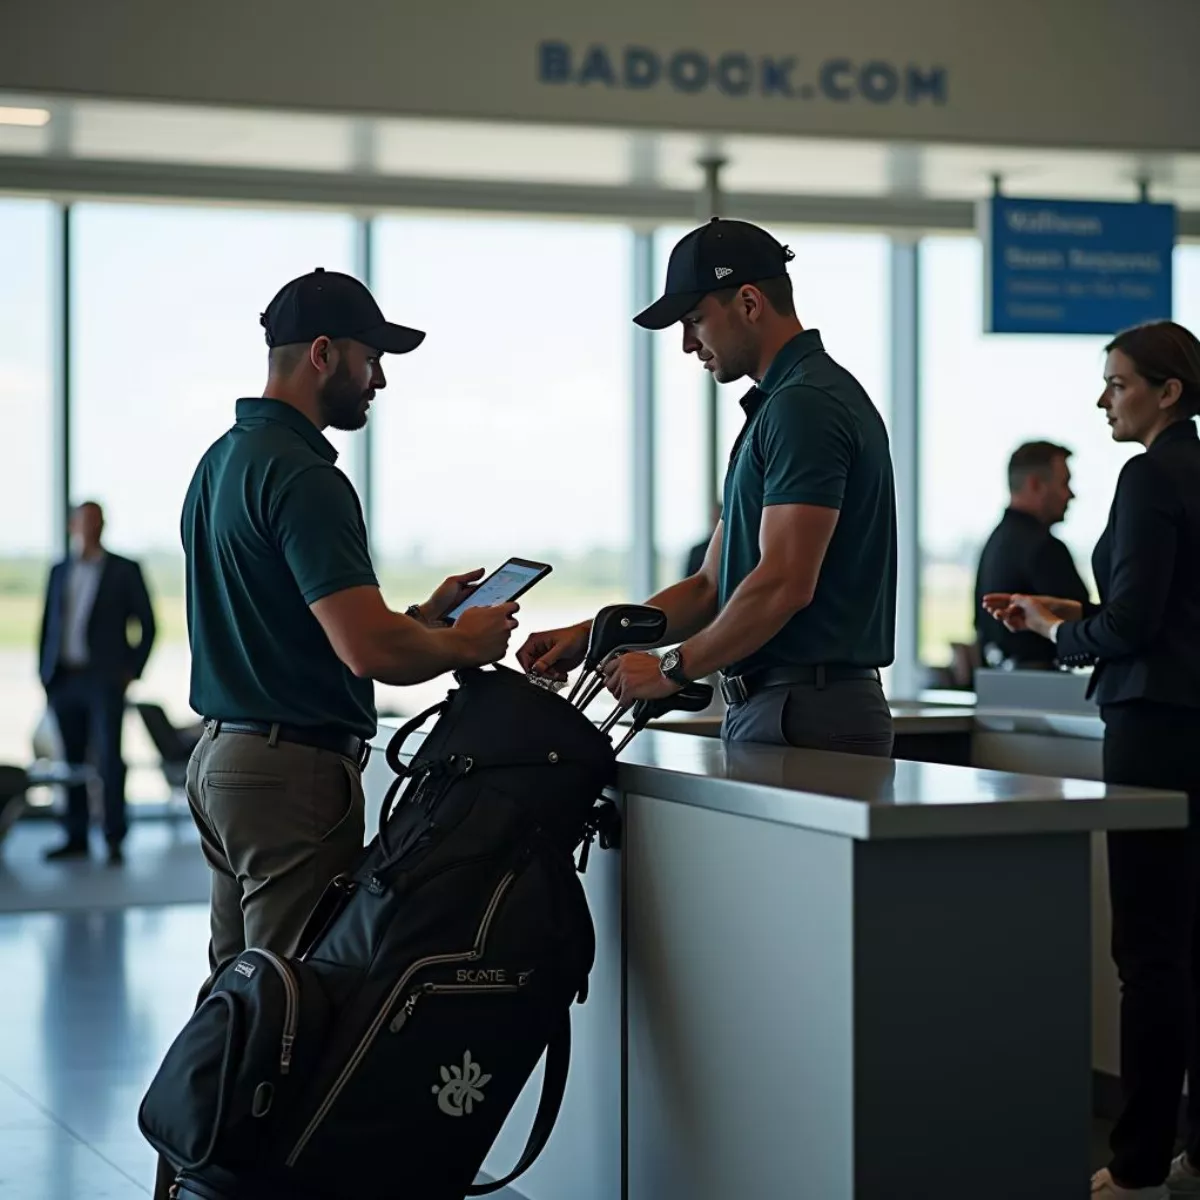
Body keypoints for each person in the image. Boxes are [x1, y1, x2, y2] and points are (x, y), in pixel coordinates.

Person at [155, 269, 516, 1197]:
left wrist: (421, 619)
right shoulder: (306, 475)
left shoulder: (222, 461)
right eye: (370, 360)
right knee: (286, 1024)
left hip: (225, 761)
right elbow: (365, 652)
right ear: (324, 355)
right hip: (289, 780)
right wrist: (462, 640)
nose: (378, 381)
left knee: (235, 1005)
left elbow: (306, 629)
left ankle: (190, 1178)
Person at [519, 218, 897, 755]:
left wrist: (671, 668)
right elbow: (709, 586)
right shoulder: (780, 406)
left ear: (748, 303)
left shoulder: (804, 407)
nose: (687, 344)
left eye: (695, 319)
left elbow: (785, 582)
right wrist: (594, 636)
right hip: (774, 706)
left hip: (807, 710)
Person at [982, 320, 1200, 1200]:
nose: (1103, 398)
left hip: (1153, 729)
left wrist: (1057, 629)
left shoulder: (1148, 475)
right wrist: (1071, 613)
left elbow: (1135, 627)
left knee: (1149, 953)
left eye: (1116, 383)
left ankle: (1139, 1162)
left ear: (1166, 392)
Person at [37, 500, 156, 864]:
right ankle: (75, 836)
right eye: (84, 521)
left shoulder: (124, 569)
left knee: (108, 760)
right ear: (73, 526)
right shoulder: (59, 570)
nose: (90, 527)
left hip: (104, 681)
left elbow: (148, 626)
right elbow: (48, 626)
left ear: (104, 525)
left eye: (96, 521)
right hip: (64, 681)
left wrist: (129, 671)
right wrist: (45, 674)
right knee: (70, 762)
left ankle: (113, 836)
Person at [974, 440, 1090, 668]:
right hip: (1044, 688)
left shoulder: (994, 543)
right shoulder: (1044, 548)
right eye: (1064, 484)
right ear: (1036, 484)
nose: (1071, 495)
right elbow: (1084, 629)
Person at [684, 502, 722, 578]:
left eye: (718, 519)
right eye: (714, 518)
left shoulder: (733, 549)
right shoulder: (697, 551)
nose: (715, 523)